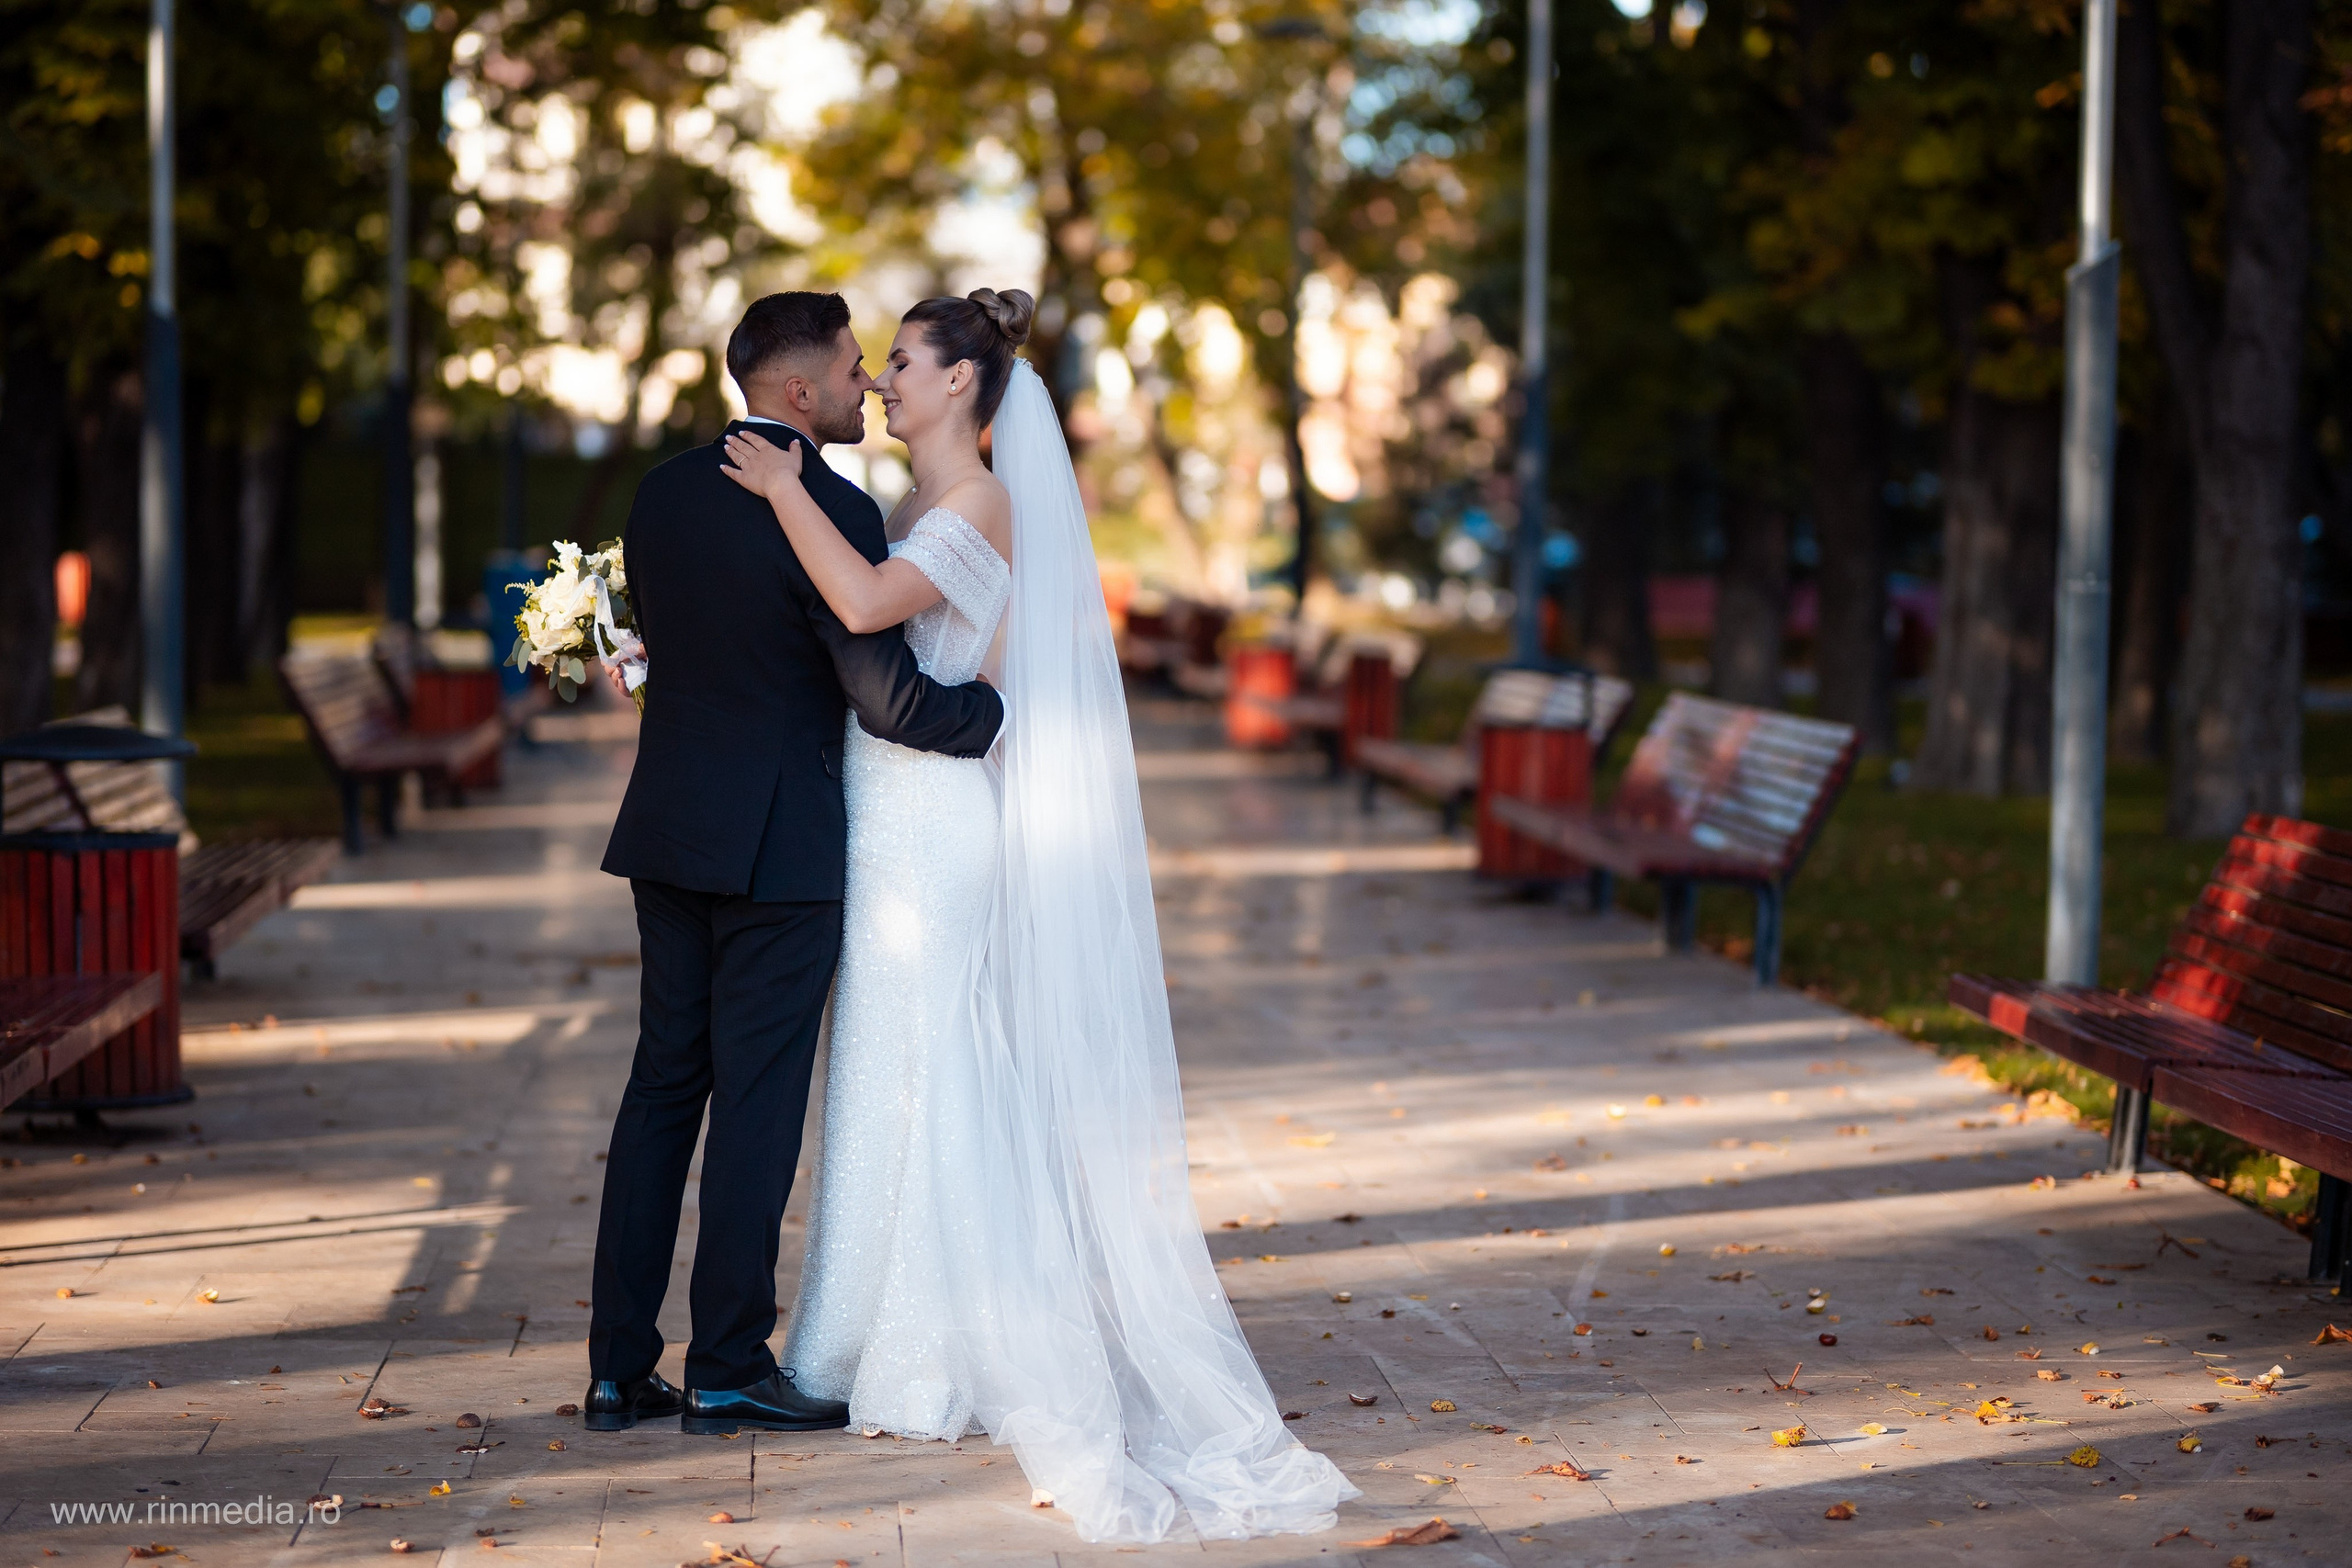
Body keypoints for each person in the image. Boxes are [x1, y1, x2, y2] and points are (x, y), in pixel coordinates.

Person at [705, 287, 1358, 1543]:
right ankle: (855, 1335)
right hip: (885, 814)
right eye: (878, 363)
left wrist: (782, 488)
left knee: (935, 1064)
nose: (880, 381)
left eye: (901, 361)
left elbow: (864, 610)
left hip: (934, 821)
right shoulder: (916, 506)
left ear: (961, 382)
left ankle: (931, 1350)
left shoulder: (980, 503)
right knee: (886, 1068)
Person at [585, 292, 1003, 1440]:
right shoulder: (833, 507)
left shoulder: (661, 493)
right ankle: (725, 1368)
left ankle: (617, 1371)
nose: (868, 383)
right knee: (756, 1104)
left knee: (661, 1088)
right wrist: (993, 717)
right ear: (801, 391)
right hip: (781, 848)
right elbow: (885, 698)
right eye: (855, 366)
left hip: (669, 831)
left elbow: (666, 654)